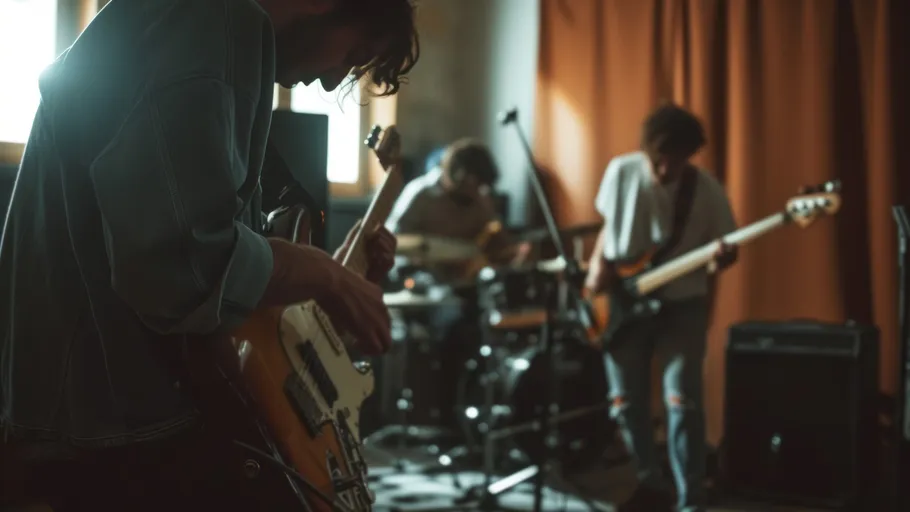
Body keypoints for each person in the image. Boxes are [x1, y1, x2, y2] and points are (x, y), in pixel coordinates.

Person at [0, 0, 419, 510]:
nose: (334, 82)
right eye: (353, 53)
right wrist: (321, 275)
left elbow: (210, 268)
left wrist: (332, 284)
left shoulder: (202, 26)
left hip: (93, 416)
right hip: (109, 427)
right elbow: (185, 270)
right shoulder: (212, 20)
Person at [584, 104, 738, 512]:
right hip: (624, 299)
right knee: (625, 401)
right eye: (661, 160)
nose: (667, 170)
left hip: (681, 304)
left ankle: (691, 499)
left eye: (678, 160)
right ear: (649, 151)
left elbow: (725, 250)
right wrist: (597, 267)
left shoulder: (705, 189)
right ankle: (649, 487)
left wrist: (720, 257)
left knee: (682, 400)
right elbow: (608, 228)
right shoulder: (621, 170)